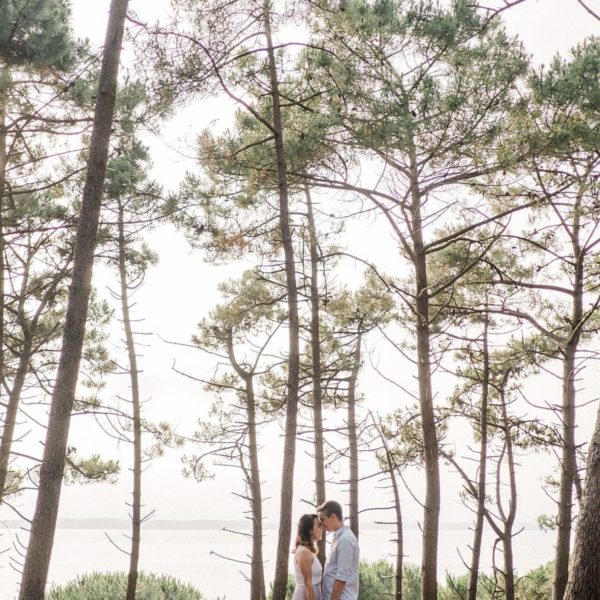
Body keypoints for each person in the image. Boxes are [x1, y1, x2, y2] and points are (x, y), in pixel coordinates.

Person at [317, 500, 359, 600]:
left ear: (333, 516)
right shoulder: (339, 537)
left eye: (323, 519)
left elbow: (341, 578)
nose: (321, 524)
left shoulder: (345, 540)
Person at [292, 513, 323, 600]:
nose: (322, 528)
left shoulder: (308, 551)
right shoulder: (304, 551)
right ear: (310, 530)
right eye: (319, 526)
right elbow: (308, 584)